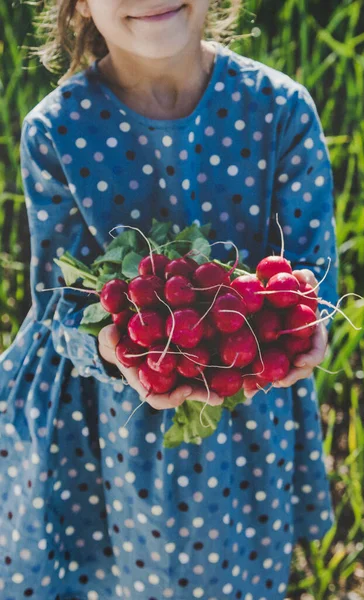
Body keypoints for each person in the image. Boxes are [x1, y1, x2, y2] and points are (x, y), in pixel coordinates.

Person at [0, 0, 340, 598]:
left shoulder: (279, 111)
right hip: (113, 424)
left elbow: (311, 273)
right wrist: (109, 345)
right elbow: (60, 301)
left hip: (246, 405)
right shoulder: (56, 130)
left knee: (238, 564)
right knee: (120, 571)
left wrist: (300, 325)